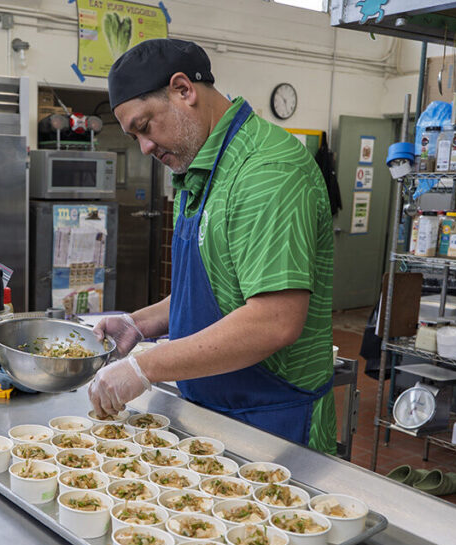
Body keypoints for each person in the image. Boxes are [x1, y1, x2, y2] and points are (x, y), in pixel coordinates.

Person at [87, 38, 336, 454]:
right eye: (135, 137)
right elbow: (218, 291)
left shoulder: (266, 172)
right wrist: (139, 323)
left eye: (145, 127)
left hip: (273, 424)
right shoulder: (198, 165)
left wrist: (143, 367)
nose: (145, 147)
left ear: (183, 90)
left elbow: (274, 319)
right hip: (212, 412)